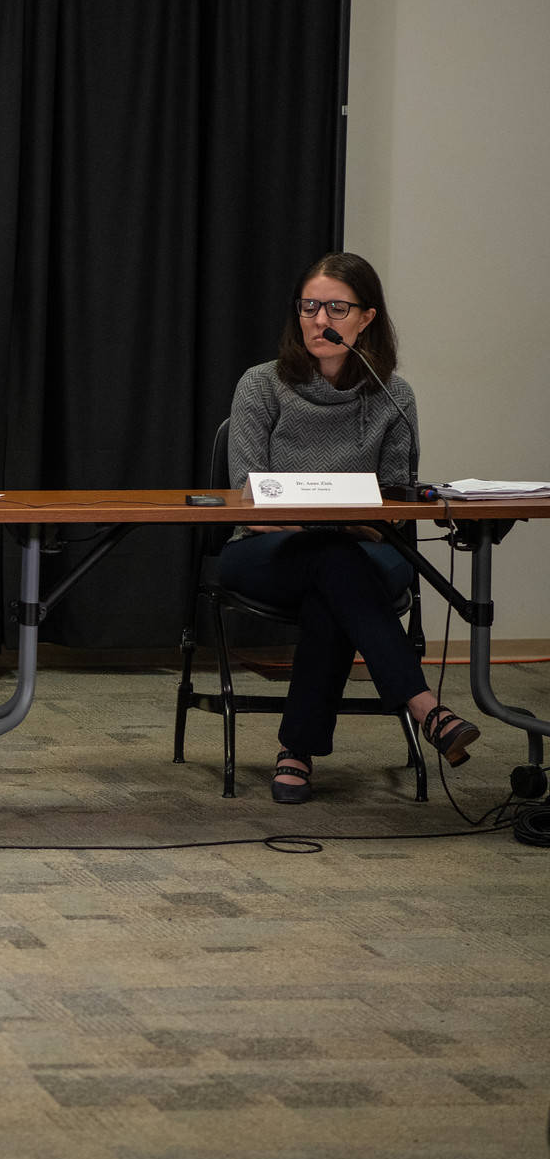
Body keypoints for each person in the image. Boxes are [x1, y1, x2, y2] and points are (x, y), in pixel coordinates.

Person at [220, 252, 478, 803]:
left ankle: (297, 750)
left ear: (367, 318)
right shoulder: (261, 385)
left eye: (336, 308)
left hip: (365, 554)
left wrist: (337, 523)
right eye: (309, 307)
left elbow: (392, 508)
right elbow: (249, 496)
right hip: (268, 553)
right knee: (332, 558)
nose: (319, 320)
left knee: (333, 576)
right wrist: (336, 522)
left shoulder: (393, 396)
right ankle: (425, 707)